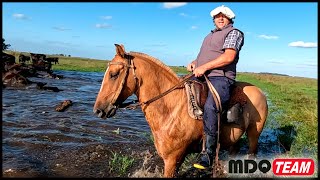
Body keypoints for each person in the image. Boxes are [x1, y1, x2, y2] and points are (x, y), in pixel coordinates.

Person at [187, 5, 244, 170]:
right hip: (202, 75)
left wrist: (204, 67)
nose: (220, 19)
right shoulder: (208, 36)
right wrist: (195, 63)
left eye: (224, 16)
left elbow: (228, 57)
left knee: (211, 106)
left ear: (229, 19)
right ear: (213, 19)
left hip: (221, 77)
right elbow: (206, 56)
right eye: (217, 16)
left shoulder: (234, 32)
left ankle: (208, 154)